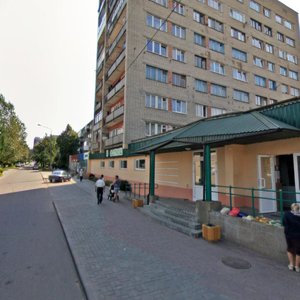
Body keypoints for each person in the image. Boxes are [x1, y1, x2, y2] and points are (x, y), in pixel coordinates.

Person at [283, 203, 300, 272]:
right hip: (298, 235)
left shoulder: (287, 214)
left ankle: (291, 265)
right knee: (299, 251)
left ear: (291, 208)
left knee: (290, 249)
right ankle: (297, 267)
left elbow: (283, 223)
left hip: (289, 234)